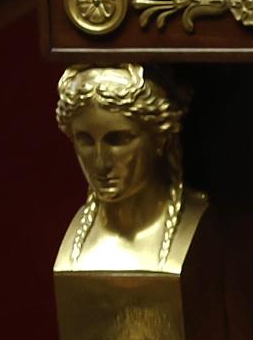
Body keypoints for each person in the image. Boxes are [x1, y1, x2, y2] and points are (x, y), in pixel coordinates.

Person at [54, 64, 201, 272]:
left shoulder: (196, 225)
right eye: (85, 140)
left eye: (118, 140)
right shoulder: (75, 245)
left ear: (160, 138)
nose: (100, 162)